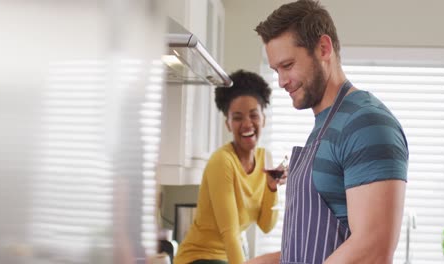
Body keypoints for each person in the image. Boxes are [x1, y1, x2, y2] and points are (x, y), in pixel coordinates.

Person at [247, 1, 409, 263]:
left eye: (288, 65)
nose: (281, 81)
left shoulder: (366, 123)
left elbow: (372, 249)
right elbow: (311, 250)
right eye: (276, 70)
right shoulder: (325, 126)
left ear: (323, 48)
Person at [173, 70, 283, 264]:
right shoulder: (222, 162)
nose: (247, 124)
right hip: (198, 257)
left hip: (225, 258)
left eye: (253, 115)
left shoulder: (265, 158)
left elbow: (266, 225)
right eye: (238, 117)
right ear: (228, 124)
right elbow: (230, 233)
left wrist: (272, 187)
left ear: (263, 119)